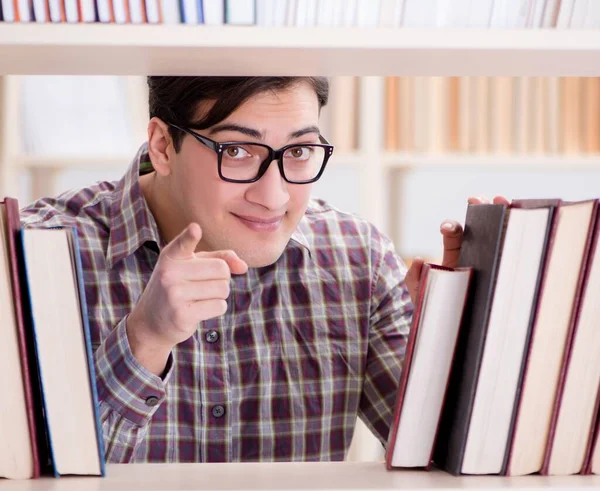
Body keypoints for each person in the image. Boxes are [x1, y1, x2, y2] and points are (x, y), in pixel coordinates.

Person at [21, 76, 483, 463]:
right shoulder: (40, 251)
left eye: (299, 152)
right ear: (163, 146)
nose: (274, 197)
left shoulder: (357, 258)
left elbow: (445, 458)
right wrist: (144, 339)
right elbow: (30, 469)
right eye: (238, 152)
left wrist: (448, 338)